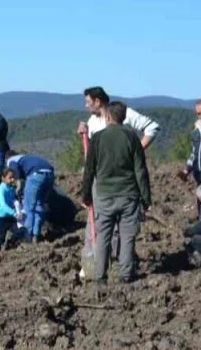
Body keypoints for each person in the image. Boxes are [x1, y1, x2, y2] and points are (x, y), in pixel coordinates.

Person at [80, 101, 151, 284]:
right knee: (127, 236)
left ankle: (100, 276)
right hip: (129, 195)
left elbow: (89, 170)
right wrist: (146, 198)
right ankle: (126, 275)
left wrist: (86, 195)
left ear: (108, 116)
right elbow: (141, 170)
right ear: (124, 117)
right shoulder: (132, 137)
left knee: (103, 236)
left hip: (104, 196)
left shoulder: (97, 138)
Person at [79, 86, 161, 150]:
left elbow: (152, 127)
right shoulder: (92, 120)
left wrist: (136, 152)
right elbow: (91, 149)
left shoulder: (123, 112)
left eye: (88, 102)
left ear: (97, 102)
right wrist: (83, 135)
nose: (86, 106)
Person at [6, 152, 56, 242]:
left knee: (28, 206)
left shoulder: (11, 160)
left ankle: (28, 235)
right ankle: (36, 234)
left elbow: (14, 169)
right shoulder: (25, 158)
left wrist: (18, 185)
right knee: (39, 205)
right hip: (50, 174)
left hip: (36, 175)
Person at [0, 168, 24, 251]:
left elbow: (12, 200)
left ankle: (10, 243)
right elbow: (3, 205)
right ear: (3, 178)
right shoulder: (0, 190)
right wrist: (15, 213)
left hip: (9, 216)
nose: (13, 180)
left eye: (13, 177)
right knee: (0, 237)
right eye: (10, 178)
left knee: (19, 231)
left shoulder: (11, 188)